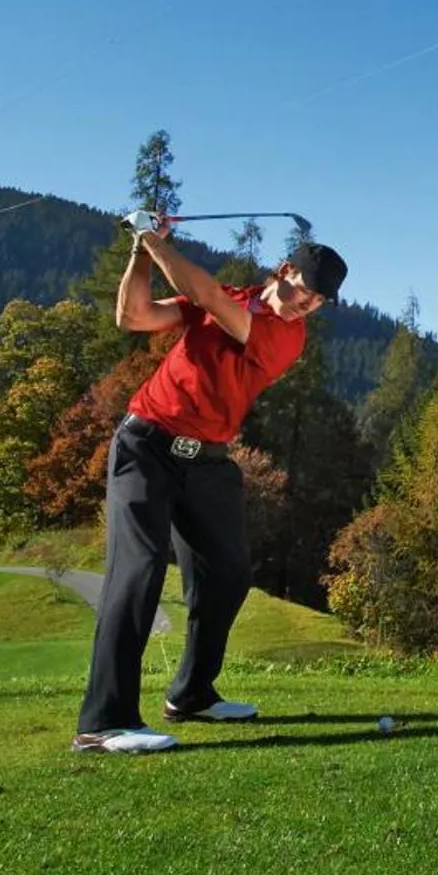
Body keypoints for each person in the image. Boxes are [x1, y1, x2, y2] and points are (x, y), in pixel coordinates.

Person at [71, 219, 348, 753]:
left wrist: (152, 239)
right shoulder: (234, 298)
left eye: (319, 301)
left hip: (208, 461)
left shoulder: (285, 336)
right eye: (305, 290)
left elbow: (206, 296)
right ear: (284, 271)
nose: (307, 305)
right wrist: (141, 252)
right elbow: (135, 316)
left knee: (228, 573)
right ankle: (102, 722)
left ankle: (192, 693)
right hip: (146, 447)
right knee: (138, 570)